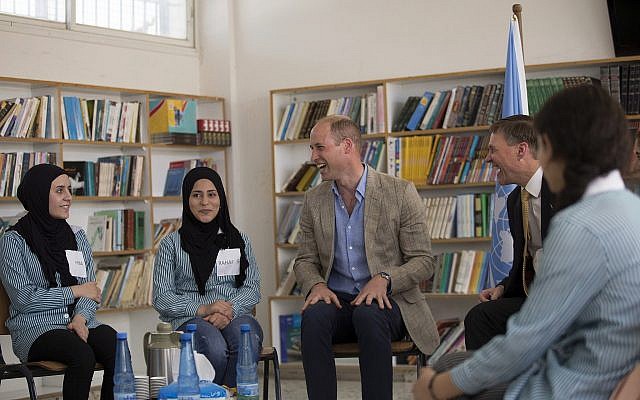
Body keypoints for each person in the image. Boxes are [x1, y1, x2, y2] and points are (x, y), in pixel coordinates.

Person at [413, 84, 640, 400]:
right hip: (603, 366)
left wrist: (440, 388)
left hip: (574, 383)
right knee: (453, 362)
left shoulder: (579, 225)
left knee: (445, 377)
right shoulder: (631, 208)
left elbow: (528, 338)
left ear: (555, 147)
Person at [294, 115, 439, 400]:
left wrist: (385, 279)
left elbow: (423, 260)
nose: (313, 157)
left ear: (346, 146)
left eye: (319, 147)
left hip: (390, 303)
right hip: (339, 301)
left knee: (369, 314)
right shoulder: (314, 200)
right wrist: (316, 286)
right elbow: (304, 260)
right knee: (313, 318)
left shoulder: (399, 192)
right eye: (312, 149)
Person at [0, 163, 116, 400]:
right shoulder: (13, 241)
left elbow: (90, 290)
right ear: (40, 194)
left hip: (78, 323)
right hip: (35, 328)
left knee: (116, 347)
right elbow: (24, 300)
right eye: (60, 190)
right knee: (82, 355)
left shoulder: (77, 236)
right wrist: (74, 291)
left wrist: (81, 318)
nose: (68, 198)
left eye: (69, 190)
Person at [153, 166, 262, 389]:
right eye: (197, 195)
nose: (205, 202)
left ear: (220, 199)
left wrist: (228, 311)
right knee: (214, 347)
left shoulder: (238, 240)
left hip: (234, 313)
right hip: (190, 319)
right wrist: (203, 309)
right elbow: (161, 298)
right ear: (187, 200)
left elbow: (252, 288)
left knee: (246, 339)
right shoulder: (170, 245)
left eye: (211, 195)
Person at [464, 115, 554, 350]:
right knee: (480, 317)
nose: (487, 159)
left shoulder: (566, 189)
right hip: (537, 299)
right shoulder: (516, 200)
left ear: (521, 150)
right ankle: (487, 387)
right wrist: (503, 287)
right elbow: (525, 265)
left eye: (493, 150)